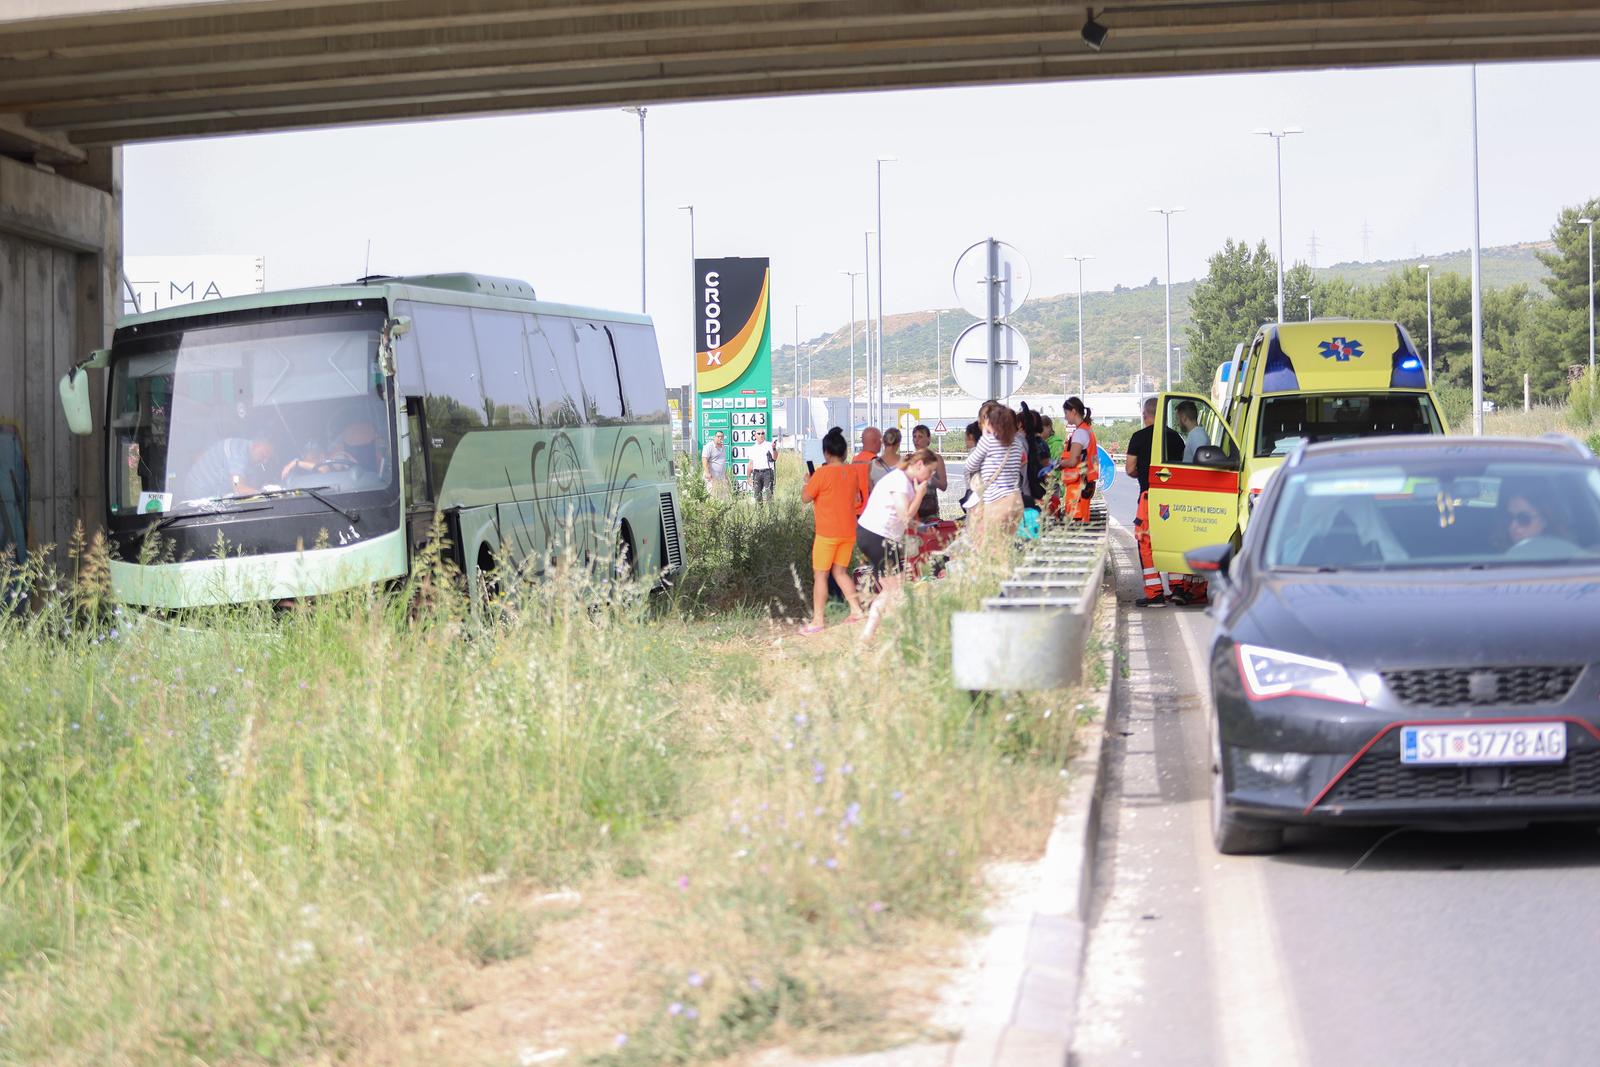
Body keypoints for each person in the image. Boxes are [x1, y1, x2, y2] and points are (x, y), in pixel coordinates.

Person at [857, 447, 937, 643]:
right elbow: (905, 515)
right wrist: (919, 494)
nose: (931, 476)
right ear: (919, 465)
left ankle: (870, 634)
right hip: (878, 536)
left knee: (891, 588)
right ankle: (903, 634)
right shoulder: (900, 481)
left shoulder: (903, 480)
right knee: (896, 589)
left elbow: (906, 520)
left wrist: (921, 528)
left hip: (876, 535)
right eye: (930, 470)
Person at [799, 427, 868, 634]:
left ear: (826, 453)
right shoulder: (852, 472)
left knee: (820, 576)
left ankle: (818, 620)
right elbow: (856, 498)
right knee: (840, 572)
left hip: (827, 533)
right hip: (848, 532)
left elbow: (805, 497)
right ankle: (856, 610)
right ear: (845, 452)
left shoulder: (821, 473)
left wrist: (808, 482)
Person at [1124, 397, 1185, 607]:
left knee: (1146, 542)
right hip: (1174, 497)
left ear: (1144, 415)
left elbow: (1130, 468)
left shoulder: (1138, 437)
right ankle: (1179, 588)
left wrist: (1144, 473)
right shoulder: (1175, 437)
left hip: (1149, 497)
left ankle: (1155, 593)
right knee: (1174, 540)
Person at [963, 403, 1026, 544]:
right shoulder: (1017, 443)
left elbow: (970, 465)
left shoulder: (989, 440)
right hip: (1015, 500)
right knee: (1006, 546)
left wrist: (985, 436)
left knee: (992, 549)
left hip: (997, 502)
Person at [184, 436, 276, 500]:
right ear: (255, 446)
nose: (265, 461)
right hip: (198, 492)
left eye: (267, 458)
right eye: (263, 455)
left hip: (207, 490)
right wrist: (265, 496)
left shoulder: (245, 449)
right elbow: (238, 487)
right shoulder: (238, 455)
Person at [1061, 397, 1100, 523]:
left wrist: (1055, 464)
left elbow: (1073, 461)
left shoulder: (1080, 433)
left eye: (1066, 413)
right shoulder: (1087, 430)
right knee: (1083, 520)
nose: (1065, 417)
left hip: (1077, 485)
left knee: (1076, 523)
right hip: (1085, 482)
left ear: (1073, 411)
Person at [911, 424, 948, 521]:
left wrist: (930, 478)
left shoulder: (936, 459)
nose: (916, 440)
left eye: (920, 436)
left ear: (928, 439)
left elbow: (944, 486)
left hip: (929, 511)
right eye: (914, 437)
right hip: (912, 510)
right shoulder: (909, 459)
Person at [749, 429, 777, 503]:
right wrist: (748, 477)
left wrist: (774, 448)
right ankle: (760, 513)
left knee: (769, 494)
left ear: (764, 435)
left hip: (767, 472)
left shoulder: (769, 445)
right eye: (758, 433)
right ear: (755, 435)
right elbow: (750, 463)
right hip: (756, 473)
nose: (761, 435)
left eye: (762, 433)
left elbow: (775, 458)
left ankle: (772, 514)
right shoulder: (753, 448)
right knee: (757, 495)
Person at [701, 430, 731, 498]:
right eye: (718, 436)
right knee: (713, 497)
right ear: (714, 437)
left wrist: (725, 475)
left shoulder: (723, 447)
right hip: (711, 477)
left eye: (721, 437)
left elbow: (722, 462)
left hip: (721, 478)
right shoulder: (709, 446)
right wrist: (707, 473)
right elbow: (704, 459)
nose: (720, 438)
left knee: (723, 497)